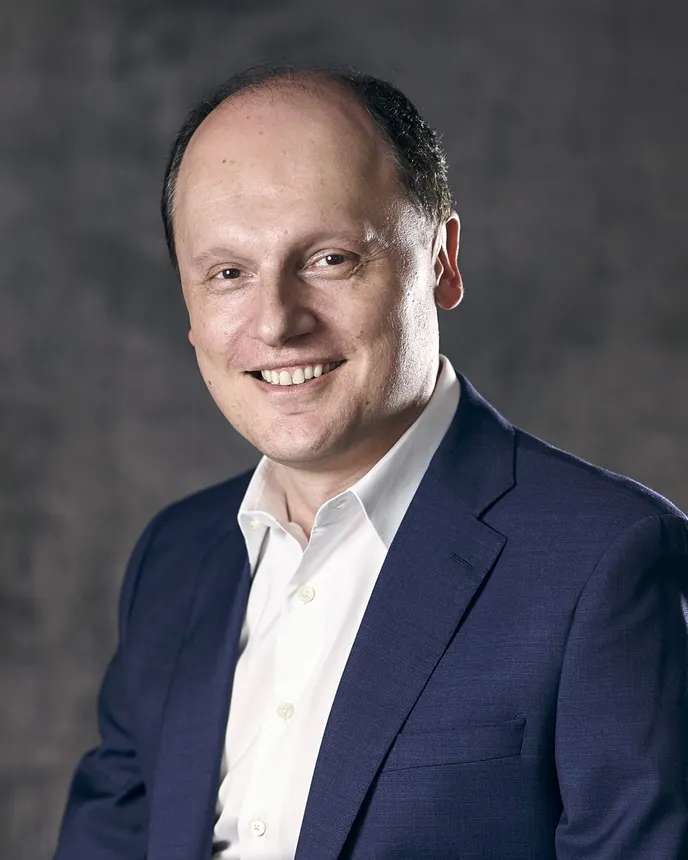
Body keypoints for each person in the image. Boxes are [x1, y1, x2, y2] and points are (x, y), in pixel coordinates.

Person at [54, 65, 688, 860]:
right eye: (228, 274)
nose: (277, 322)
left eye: (329, 259)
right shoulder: (173, 560)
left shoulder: (610, 562)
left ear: (442, 260)